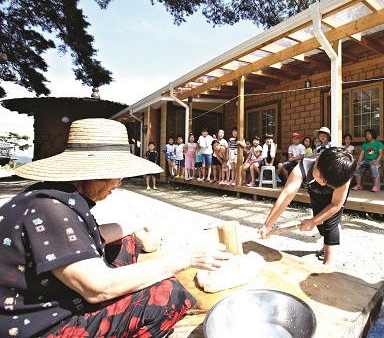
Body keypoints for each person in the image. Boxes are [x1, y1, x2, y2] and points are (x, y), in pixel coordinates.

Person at [0, 118, 231, 338]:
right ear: (95, 173)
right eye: (116, 173)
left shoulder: (58, 195)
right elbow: (97, 288)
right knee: (167, 293)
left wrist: (134, 224)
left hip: (54, 292)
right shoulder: (50, 210)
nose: (119, 181)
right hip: (41, 324)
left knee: (126, 241)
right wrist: (185, 258)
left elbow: (90, 236)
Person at [258, 147, 356, 266]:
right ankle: (324, 243)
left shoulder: (342, 175)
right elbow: (286, 196)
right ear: (317, 161)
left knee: (331, 223)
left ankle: (328, 265)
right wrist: (267, 225)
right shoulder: (305, 165)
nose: (324, 183)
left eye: (328, 183)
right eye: (322, 178)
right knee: (319, 216)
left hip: (335, 198)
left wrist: (312, 222)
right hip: (315, 191)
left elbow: (335, 204)